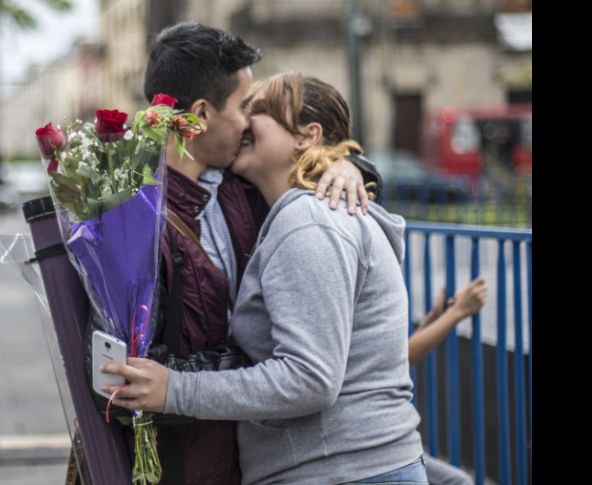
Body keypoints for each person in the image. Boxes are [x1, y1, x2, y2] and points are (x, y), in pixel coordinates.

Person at [70, 22, 383, 485]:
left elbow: (322, 181)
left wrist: (348, 165)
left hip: (260, 460)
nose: (251, 120)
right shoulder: (129, 216)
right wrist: (256, 365)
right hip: (183, 465)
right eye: (243, 105)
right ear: (199, 113)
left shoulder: (244, 186)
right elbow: (115, 379)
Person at [410, 277, 488, 485]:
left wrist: (437, 316)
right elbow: (397, 360)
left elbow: (392, 357)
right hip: (371, 441)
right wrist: (457, 312)